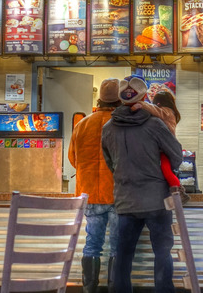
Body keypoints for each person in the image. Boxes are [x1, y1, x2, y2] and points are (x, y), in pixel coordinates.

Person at [101, 75, 183, 293]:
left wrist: (126, 175)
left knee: (123, 254)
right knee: (162, 252)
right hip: (157, 201)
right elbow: (176, 154)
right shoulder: (155, 124)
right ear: (145, 97)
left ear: (120, 99)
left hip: (125, 201)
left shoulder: (108, 128)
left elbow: (110, 162)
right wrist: (162, 169)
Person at [68, 78, 122, 293]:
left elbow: (73, 158)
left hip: (89, 192)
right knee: (117, 246)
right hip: (118, 194)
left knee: (92, 244)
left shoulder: (82, 124)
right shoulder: (123, 123)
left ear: (99, 100)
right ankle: (114, 288)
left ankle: (89, 288)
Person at [131, 90, 190, 204]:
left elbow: (155, 110)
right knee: (165, 170)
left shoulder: (167, 112)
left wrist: (141, 104)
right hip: (164, 147)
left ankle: (179, 192)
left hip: (165, 148)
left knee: (166, 170)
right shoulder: (169, 112)